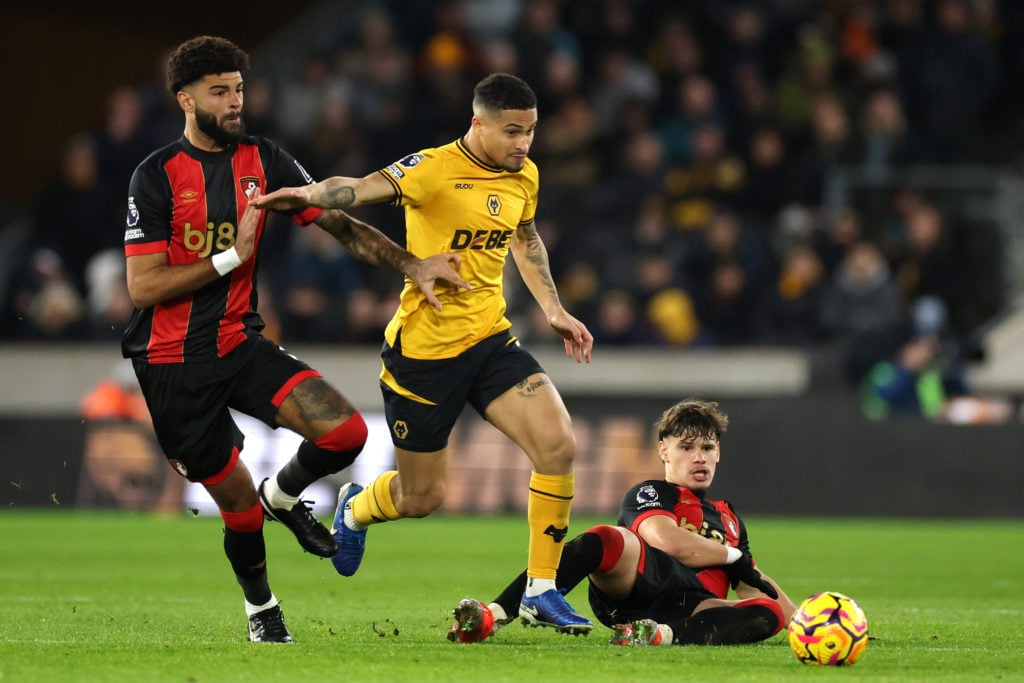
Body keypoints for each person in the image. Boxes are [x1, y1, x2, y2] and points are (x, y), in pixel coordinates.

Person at [121, 35, 469, 644]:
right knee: (238, 509)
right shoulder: (155, 177)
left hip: (239, 343)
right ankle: (262, 608)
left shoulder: (265, 159)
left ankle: (284, 494)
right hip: (173, 366)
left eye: (239, 89)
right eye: (219, 91)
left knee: (347, 434)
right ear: (185, 98)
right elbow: (143, 288)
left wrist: (411, 264)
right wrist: (233, 258)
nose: (235, 101)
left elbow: (340, 223)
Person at [254, 73, 595, 633]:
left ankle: (541, 588)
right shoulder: (434, 168)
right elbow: (359, 188)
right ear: (477, 123)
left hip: (491, 341)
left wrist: (554, 309)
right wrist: (309, 197)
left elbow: (525, 237)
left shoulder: (524, 175)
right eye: (512, 132)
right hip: (425, 355)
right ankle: (356, 507)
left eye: (530, 132)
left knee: (558, 445)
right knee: (422, 497)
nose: (523, 144)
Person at [447, 399, 797, 646]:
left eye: (707, 447)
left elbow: (750, 580)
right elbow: (668, 540)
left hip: (693, 607)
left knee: (768, 612)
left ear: (718, 452)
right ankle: (491, 616)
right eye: (686, 447)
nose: (699, 457)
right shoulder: (650, 492)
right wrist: (733, 556)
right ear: (663, 450)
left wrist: (799, 620)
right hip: (638, 585)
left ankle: (658, 635)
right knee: (606, 538)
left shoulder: (728, 516)